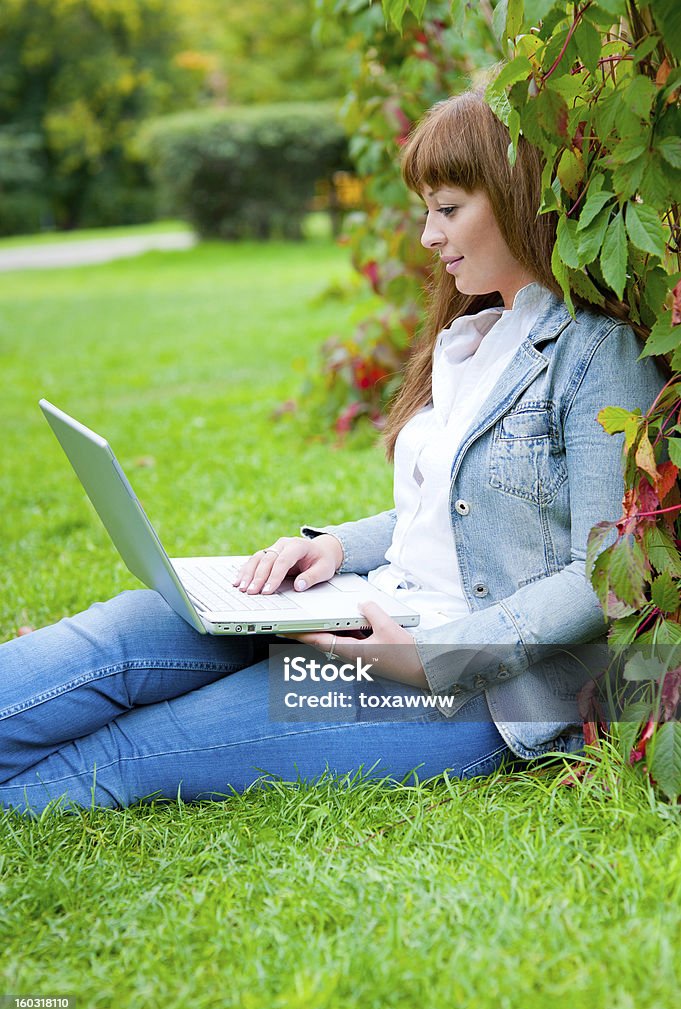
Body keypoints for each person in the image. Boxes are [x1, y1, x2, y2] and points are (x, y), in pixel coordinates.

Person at [0, 91, 666, 815]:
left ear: (516, 196)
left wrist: (428, 660)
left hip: (471, 689)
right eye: (426, 212)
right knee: (128, 633)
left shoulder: (598, 356)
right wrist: (331, 553)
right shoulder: (475, 339)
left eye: (447, 209)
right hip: (373, 607)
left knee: (132, 749)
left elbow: (598, 577)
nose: (427, 237)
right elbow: (455, 508)